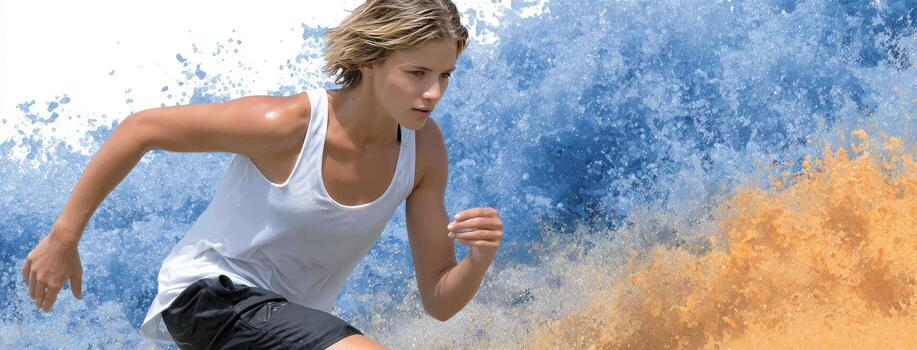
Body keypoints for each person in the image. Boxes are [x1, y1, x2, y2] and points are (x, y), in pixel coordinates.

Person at [20, 0, 505, 348]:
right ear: (369, 61)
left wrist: (477, 260)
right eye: (417, 72)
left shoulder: (423, 150)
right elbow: (140, 129)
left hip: (283, 324)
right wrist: (64, 237)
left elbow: (439, 300)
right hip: (205, 296)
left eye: (445, 76)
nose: (433, 92)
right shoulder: (288, 124)